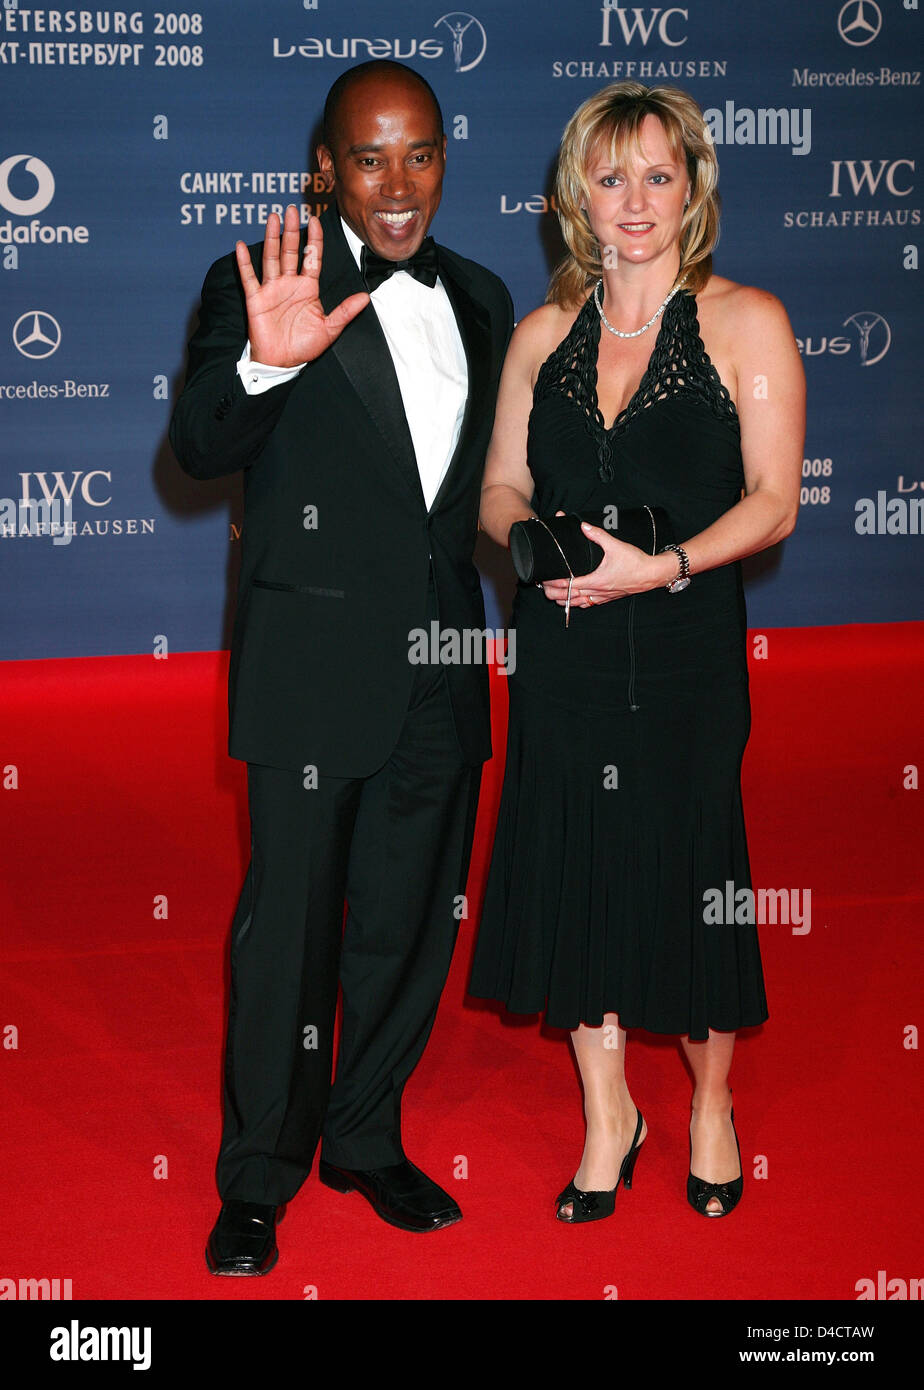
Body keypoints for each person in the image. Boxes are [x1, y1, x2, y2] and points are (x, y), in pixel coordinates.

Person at [169, 59, 513, 1274]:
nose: (398, 182)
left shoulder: (479, 294)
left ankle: (365, 1138)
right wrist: (266, 363)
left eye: (419, 152)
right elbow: (202, 440)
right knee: (291, 936)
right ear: (327, 167)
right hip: (313, 667)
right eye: (370, 157)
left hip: (441, 662)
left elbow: (478, 489)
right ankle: (258, 1173)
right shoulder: (260, 279)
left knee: (408, 928)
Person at [468, 82, 805, 1221]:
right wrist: (529, 539)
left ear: (695, 186)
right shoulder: (539, 337)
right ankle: (608, 1114)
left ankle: (709, 1104)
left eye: (659, 174)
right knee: (579, 866)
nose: (636, 199)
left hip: (684, 649)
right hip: (561, 650)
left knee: (691, 869)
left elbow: (774, 501)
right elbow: (501, 484)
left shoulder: (746, 322)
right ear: (576, 195)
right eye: (611, 177)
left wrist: (662, 566)